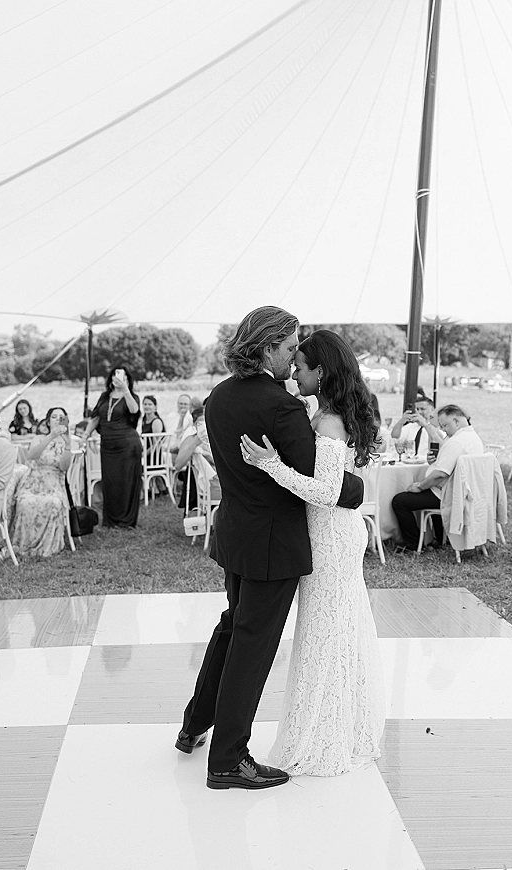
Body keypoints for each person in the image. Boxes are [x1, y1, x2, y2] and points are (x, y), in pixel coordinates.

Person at [175, 307, 363, 791]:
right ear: (266, 348)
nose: (293, 357)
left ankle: (194, 724)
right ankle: (228, 760)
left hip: (236, 534)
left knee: (232, 628)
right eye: (289, 348)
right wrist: (358, 488)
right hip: (273, 545)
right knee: (252, 648)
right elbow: (322, 481)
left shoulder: (219, 396)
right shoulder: (281, 407)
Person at [240, 329, 385, 776]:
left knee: (325, 635)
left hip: (331, 539)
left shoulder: (329, 422)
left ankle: (325, 739)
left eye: (300, 367)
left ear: (321, 372)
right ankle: (336, 727)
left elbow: (326, 491)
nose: (294, 373)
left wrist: (271, 465)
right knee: (332, 633)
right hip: (332, 535)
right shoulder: (323, 412)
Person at [391, 404, 484, 551]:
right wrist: (434, 463)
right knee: (427, 491)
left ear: (456, 421)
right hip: (467, 492)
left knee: (399, 501)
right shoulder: (473, 438)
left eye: (445, 425)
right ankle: (439, 539)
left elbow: (440, 474)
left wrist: (420, 486)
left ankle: (412, 544)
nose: (444, 430)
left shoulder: (456, 442)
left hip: (449, 494)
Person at [83, 365, 142, 529]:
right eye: (115, 375)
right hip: (108, 445)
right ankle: (111, 520)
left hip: (127, 445)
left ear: (127, 379)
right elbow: (96, 418)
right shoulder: (104, 397)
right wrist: (85, 435)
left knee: (126, 482)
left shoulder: (132, 396)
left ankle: (126, 520)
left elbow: (134, 410)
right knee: (110, 482)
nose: (118, 379)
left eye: (122, 376)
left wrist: (125, 390)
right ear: (111, 379)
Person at [10, 407, 72, 558]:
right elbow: (31, 456)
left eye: (61, 417)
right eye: (54, 417)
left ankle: (46, 547)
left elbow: (64, 467)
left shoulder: (67, 441)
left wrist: (68, 445)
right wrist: (51, 436)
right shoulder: (39, 438)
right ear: (48, 421)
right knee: (25, 502)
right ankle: (24, 545)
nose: (57, 420)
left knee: (53, 503)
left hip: (54, 482)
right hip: (33, 481)